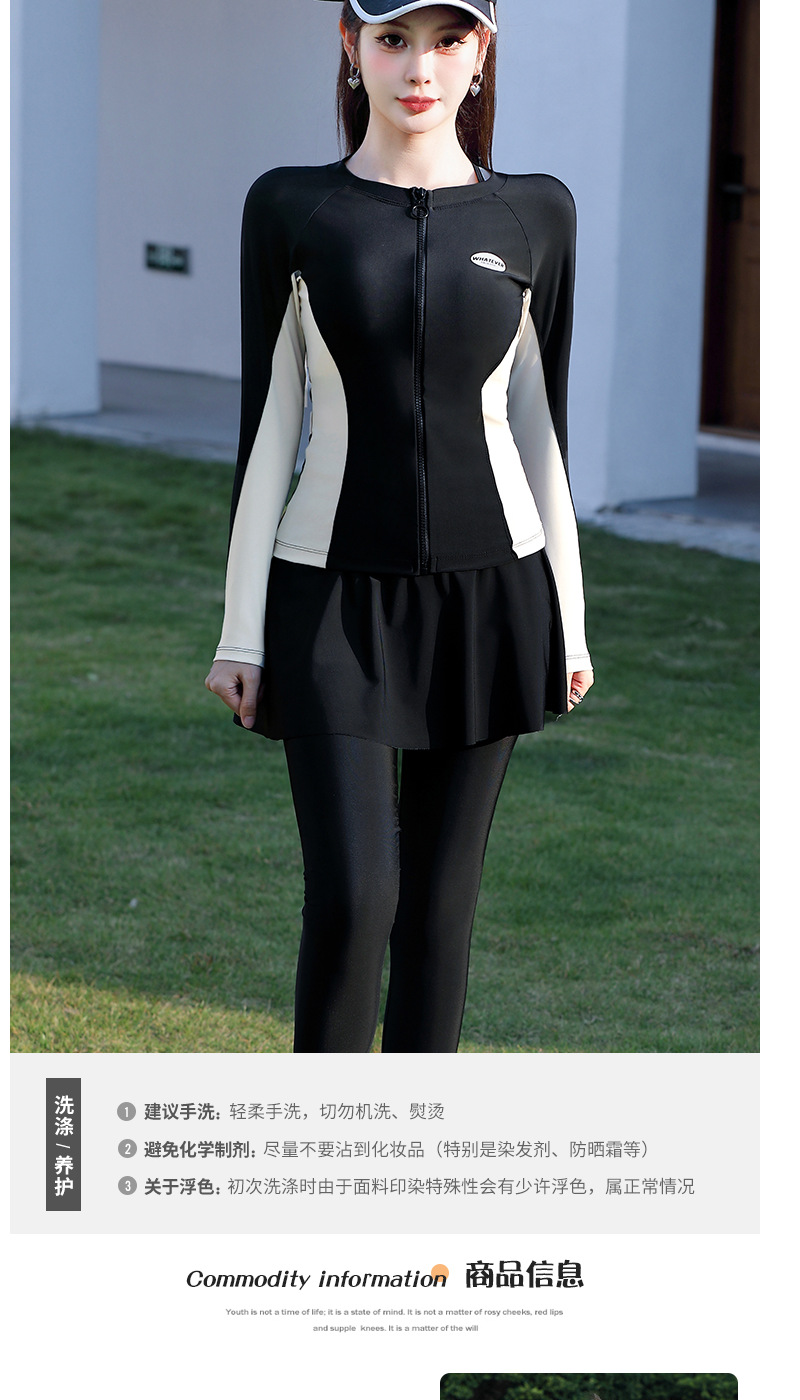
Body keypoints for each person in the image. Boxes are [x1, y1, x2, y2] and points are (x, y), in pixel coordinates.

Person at [205, 0, 594, 1053]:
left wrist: (568, 620)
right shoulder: (292, 209)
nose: (419, 67)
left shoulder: (537, 214)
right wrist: (242, 633)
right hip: (329, 596)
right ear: (351, 48)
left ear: (481, 52)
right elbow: (267, 428)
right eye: (391, 40)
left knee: (436, 916)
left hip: (491, 601)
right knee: (355, 898)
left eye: (446, 39)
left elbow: (540, 430)